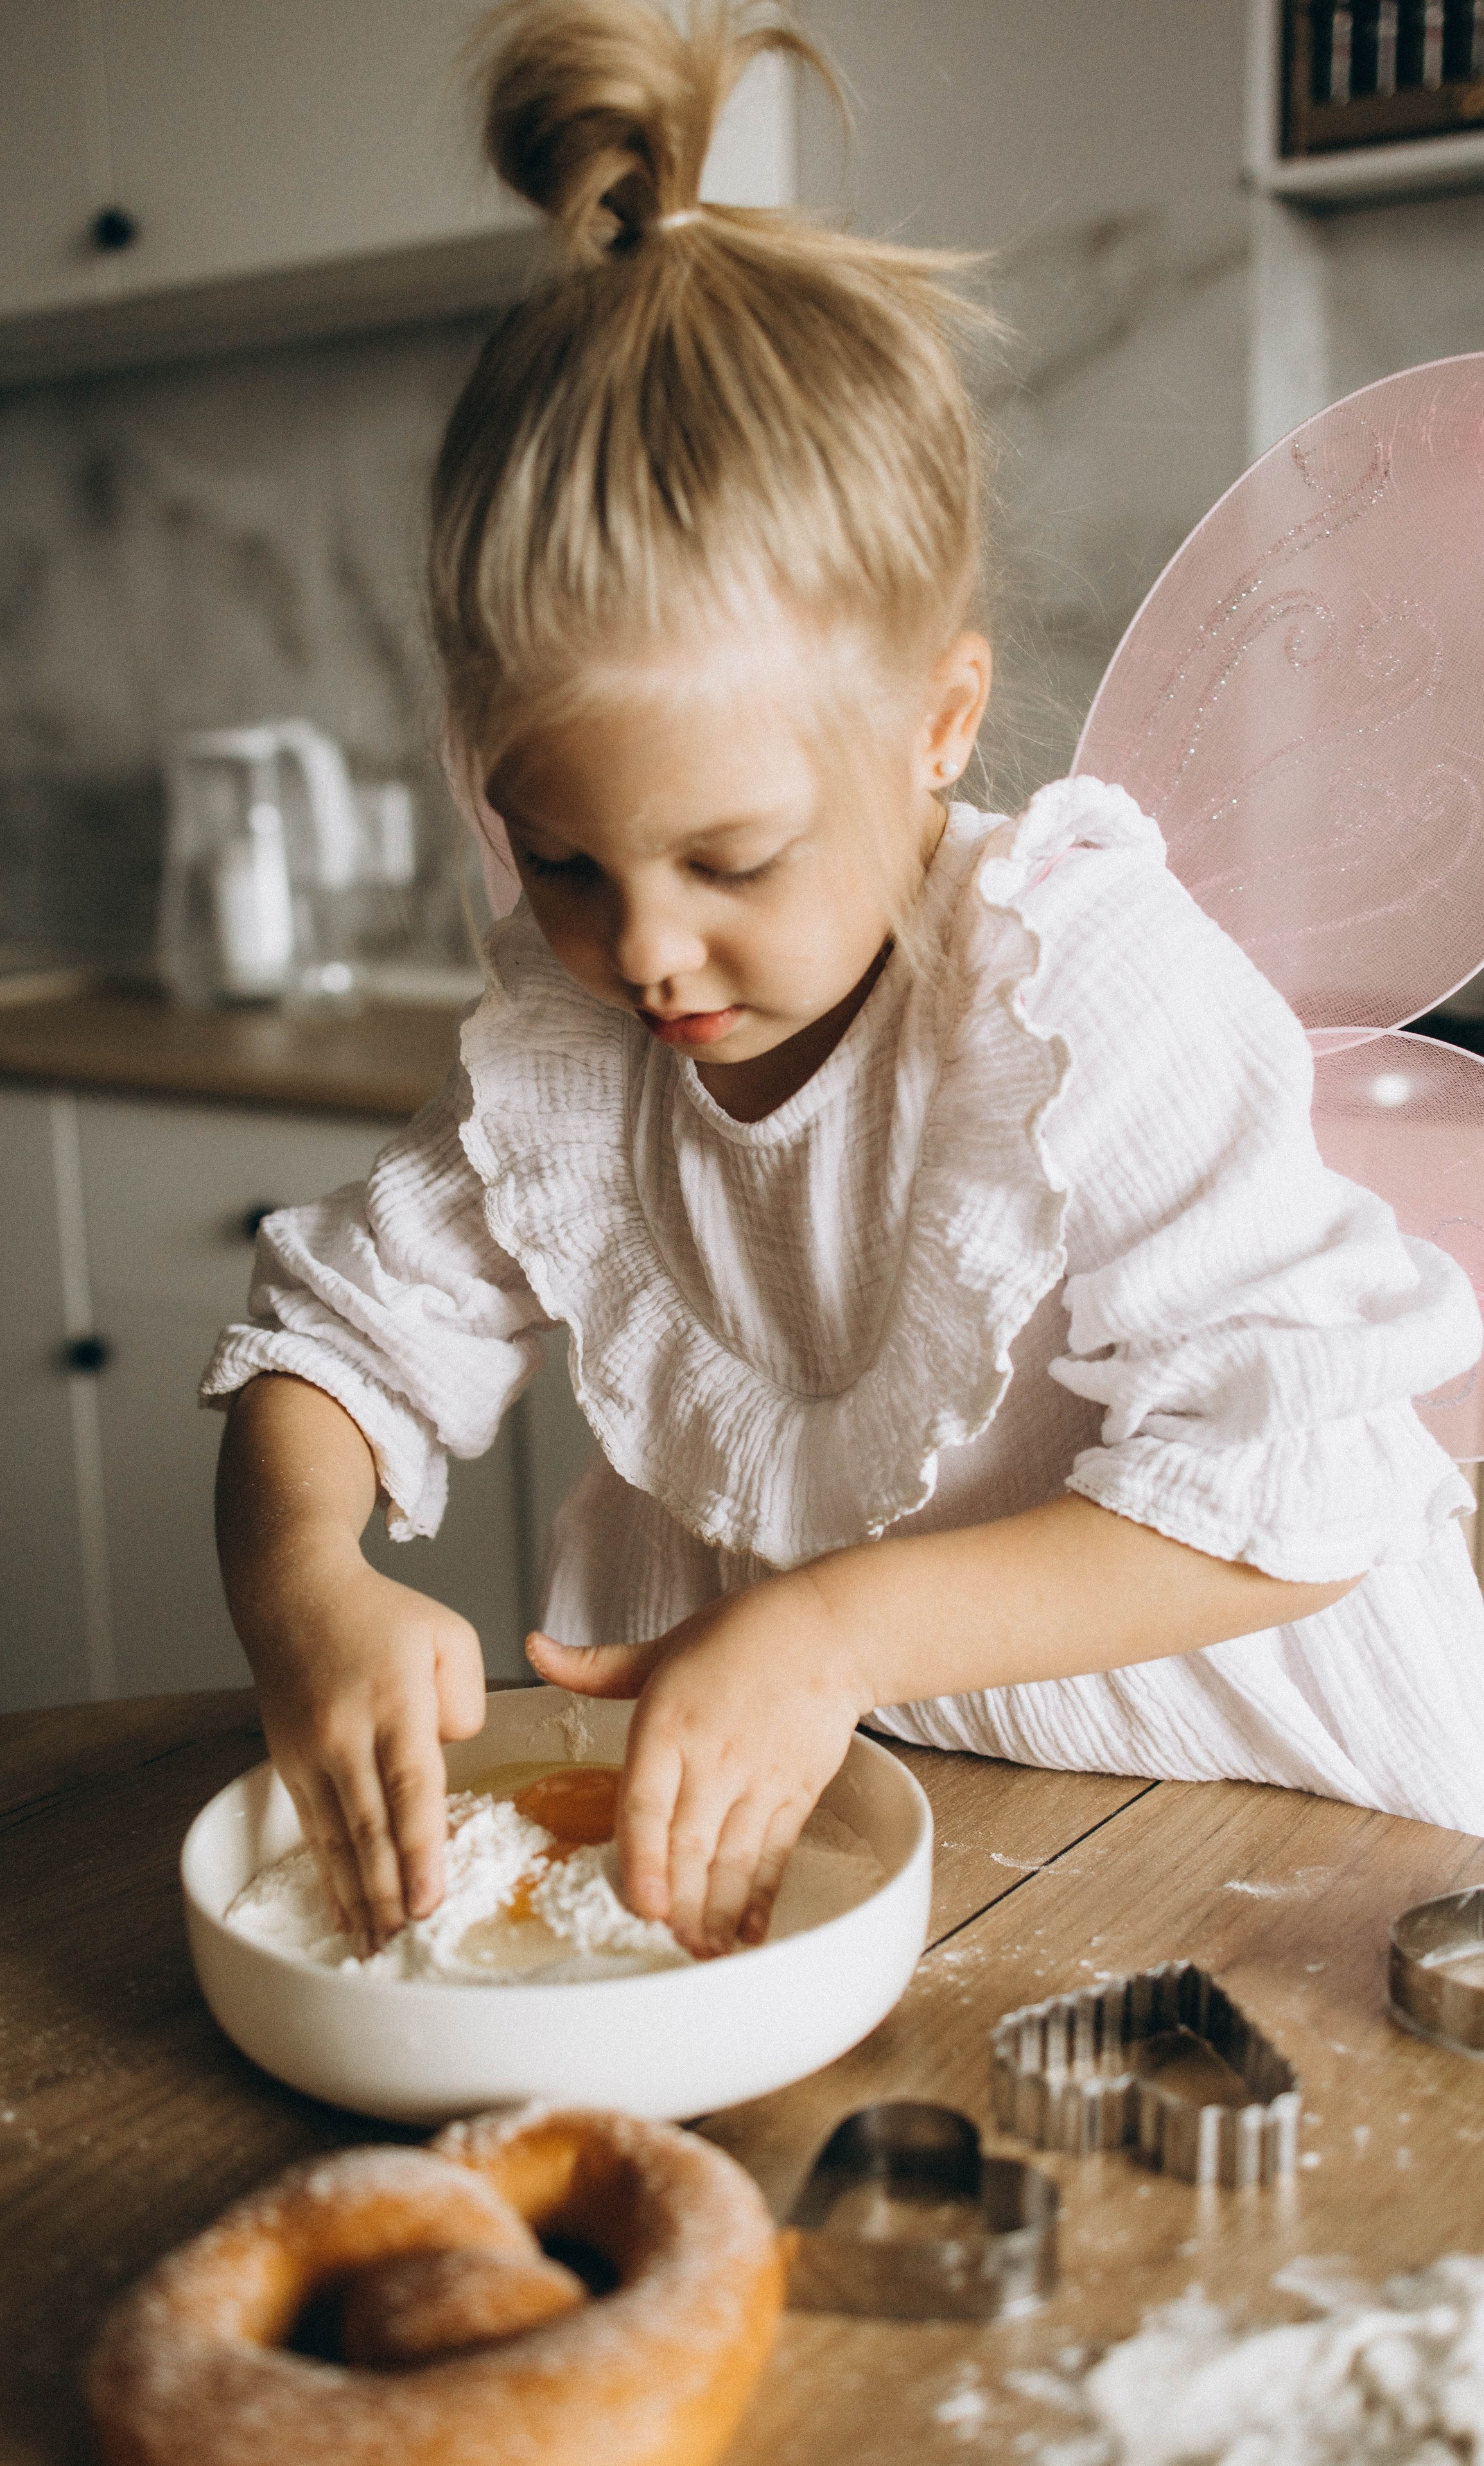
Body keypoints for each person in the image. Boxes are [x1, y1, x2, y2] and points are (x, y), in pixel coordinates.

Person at [204, 0, 1484, 1963]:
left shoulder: (1082, 996)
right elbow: (336, 1348)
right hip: (889, 1815)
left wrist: (834, 1621)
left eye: (731, 861)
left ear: (939, 722)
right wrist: (303, 1576)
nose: (640, 950)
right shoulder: (568, 1046)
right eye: (557, 857)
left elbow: (1283, 1488)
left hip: (1275, 1844)